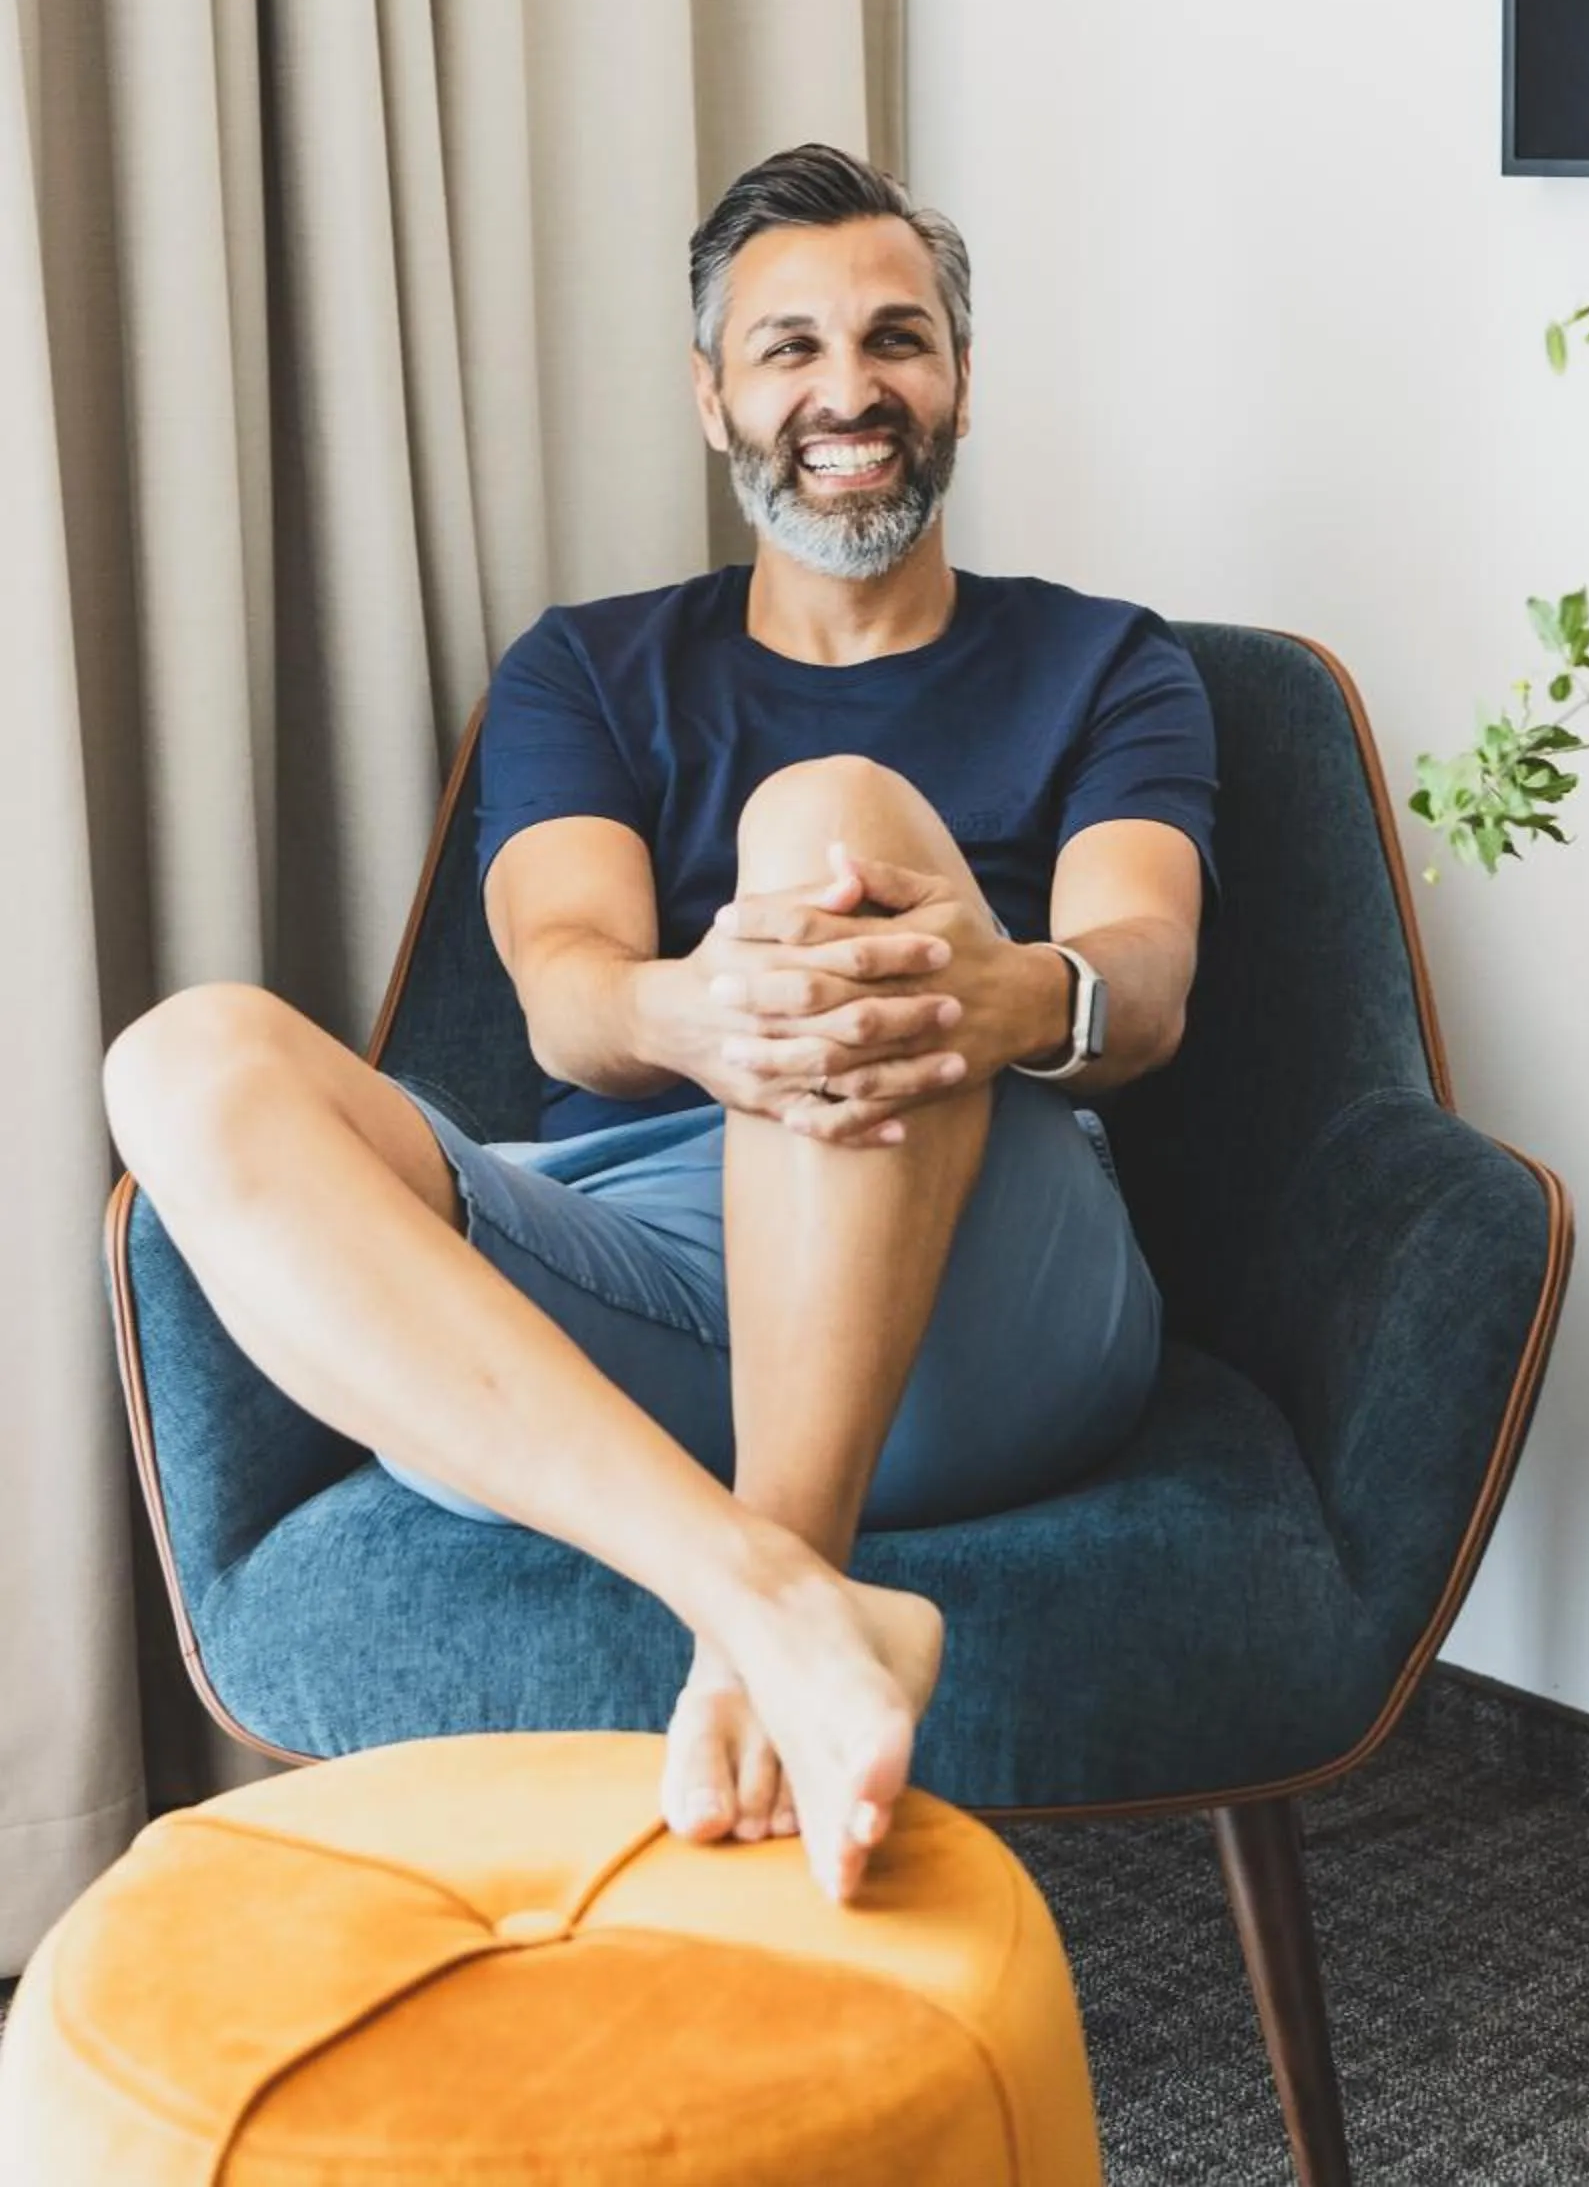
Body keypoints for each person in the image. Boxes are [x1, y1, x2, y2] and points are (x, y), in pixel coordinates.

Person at [102, 144, 1217, 1906]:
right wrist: (702, 1013)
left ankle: (787, 1557)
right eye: (789, 349)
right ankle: (774, 1606)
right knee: (182, 1063)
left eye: (896, 340)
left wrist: (993, 984)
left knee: (829, 819)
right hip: (639, 1292)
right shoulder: (587, 668)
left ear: (961, 380)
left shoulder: (1107, 661)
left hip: (981, 1295)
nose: (848, 390)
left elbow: (1141, 975)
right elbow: (567, 994)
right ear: (714, 400)